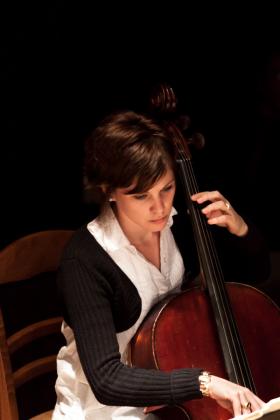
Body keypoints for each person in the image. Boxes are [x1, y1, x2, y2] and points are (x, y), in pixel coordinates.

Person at [53, 110, 270, 419]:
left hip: (171, 397)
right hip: (102, 409)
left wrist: (241, 230)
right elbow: (106, 379)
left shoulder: (181, 224)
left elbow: (258, 276)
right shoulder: (84, 261)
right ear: (109, 191)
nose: (160, 207)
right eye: (141, 196)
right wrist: (204, 383)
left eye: (167, 188)